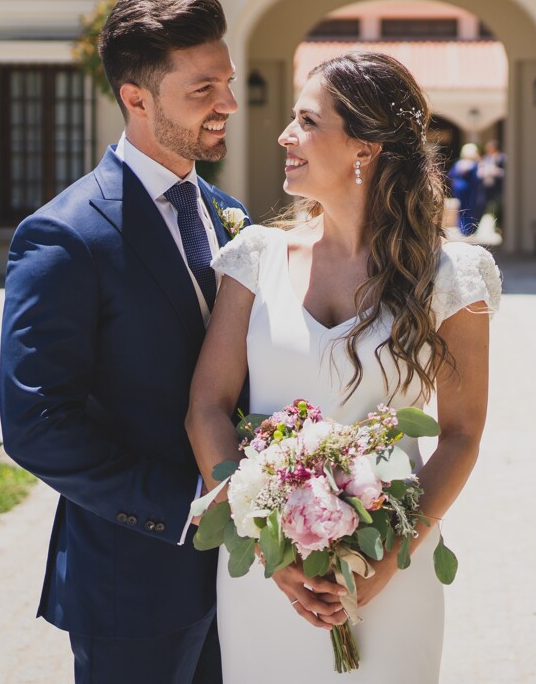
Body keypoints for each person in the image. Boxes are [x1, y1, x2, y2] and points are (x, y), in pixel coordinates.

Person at [185, 51, 499, 683]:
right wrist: (266, 545)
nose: (284, 136)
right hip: (266, 574)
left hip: (393, 571)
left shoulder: (449, 276)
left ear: (365, 145)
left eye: (306, 121)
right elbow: (207, 408)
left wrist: (393, 557)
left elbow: (461, 433)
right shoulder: (254, 258)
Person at [0, 0, 247, 684]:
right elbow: (37, 424)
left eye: (226, 82)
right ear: (137, 98)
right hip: (130, 582)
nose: (226, 102)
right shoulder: (64, 235)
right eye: (203, 88)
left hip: (241, 579)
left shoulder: (231, 215)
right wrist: (185, 512)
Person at [448, 142, 482, 236]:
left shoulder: (458, 163)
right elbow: (477, 178)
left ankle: (462, 229)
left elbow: (450, 176)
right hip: (469, 189)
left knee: (461, 209)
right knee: (469, 209)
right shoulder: (474, 164)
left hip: (458, 189)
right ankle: (468, 229)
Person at [477, 139, 505, 227]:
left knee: (498, 207)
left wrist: (497, 171)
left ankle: (499, 226)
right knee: (483, 206)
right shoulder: (486, 158)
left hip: (497, 187)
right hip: (486, 187)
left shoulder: (502, 157)